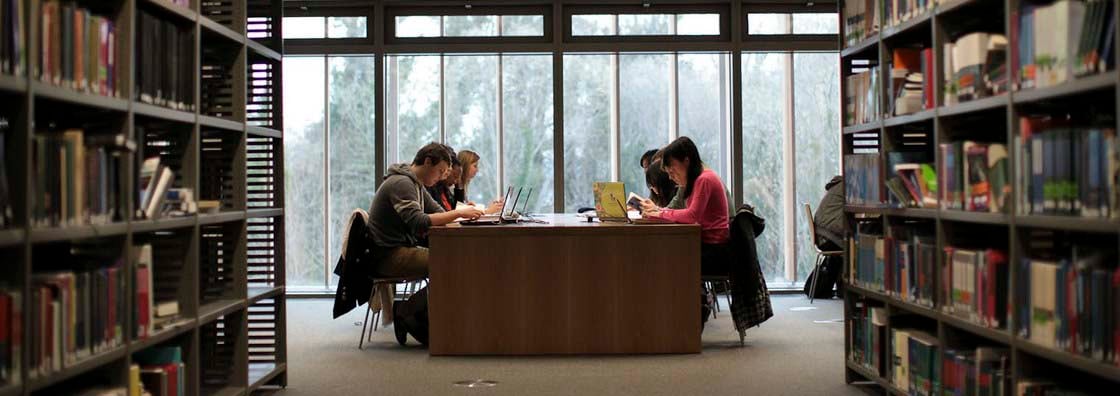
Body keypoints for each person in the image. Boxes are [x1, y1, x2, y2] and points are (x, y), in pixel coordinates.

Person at [366, 142, 484, 345]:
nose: (440, 178)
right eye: (439, 172)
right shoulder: (402, 183)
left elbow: (439, 212)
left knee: (455, 262)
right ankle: (404, 311)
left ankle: (437, 322)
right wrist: (458, 213)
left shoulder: (416, 185)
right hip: (388, 256)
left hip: (399, 250)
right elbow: (418, 221)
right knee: (450, 264)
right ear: (427, 162)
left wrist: (462, 217)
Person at [641, 137, 730, 327]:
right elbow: (688, 214)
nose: (671, 176)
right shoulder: (698, 180)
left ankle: (686, 315)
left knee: (667, 259)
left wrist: (659, 213)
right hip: (707, 245)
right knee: (666, 256)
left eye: (672, 169)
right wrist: (659, 211)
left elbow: (691, 215)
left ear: (686, 161)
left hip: (715, 251)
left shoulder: (705, 179)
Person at [805, 175, 845, 299]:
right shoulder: (849, 187)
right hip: (829, 237)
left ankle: (843, 288)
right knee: (860, 245)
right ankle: (848, 289)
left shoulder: (838, 187)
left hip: (824, 235)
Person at [455, 150, 503, 214]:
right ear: (465, 166)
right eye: (475, 166)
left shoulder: (461, 186)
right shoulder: (454, 187)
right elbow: (457, 213)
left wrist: (468, 207)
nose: (477, 170)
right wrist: (487, 211)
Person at [426, 145, 460, 212]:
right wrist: (457, 214)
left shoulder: (443, 187)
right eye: (442, 170)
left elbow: (447, 210)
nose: (446, 173)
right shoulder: (429, 185)